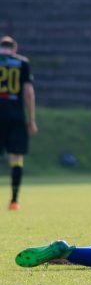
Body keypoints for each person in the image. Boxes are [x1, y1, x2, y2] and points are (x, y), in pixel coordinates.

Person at [0, 36, 37, 210]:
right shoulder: (22, 62)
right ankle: (14, 200)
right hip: (15, 116)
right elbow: (28, 92)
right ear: (14, 49)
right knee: (16, 157)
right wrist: (31, 120)